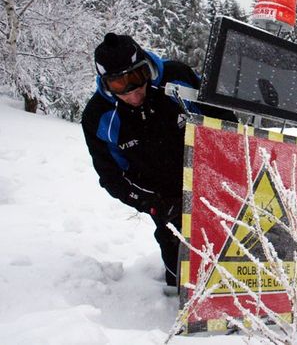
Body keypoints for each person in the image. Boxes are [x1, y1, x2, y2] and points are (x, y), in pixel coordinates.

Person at [81, 33, 235, 287]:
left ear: (146, 67)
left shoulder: (177, 77)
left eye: (136, 78)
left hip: (211, 177)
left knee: (233, 239)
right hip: (163, 197)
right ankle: (178, 302)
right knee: (180, 258)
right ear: (106, 84)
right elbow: (111, 177)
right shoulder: (99, 117)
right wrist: (152, 204)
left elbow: (224, 119)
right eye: (120, 86)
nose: (132, 93)